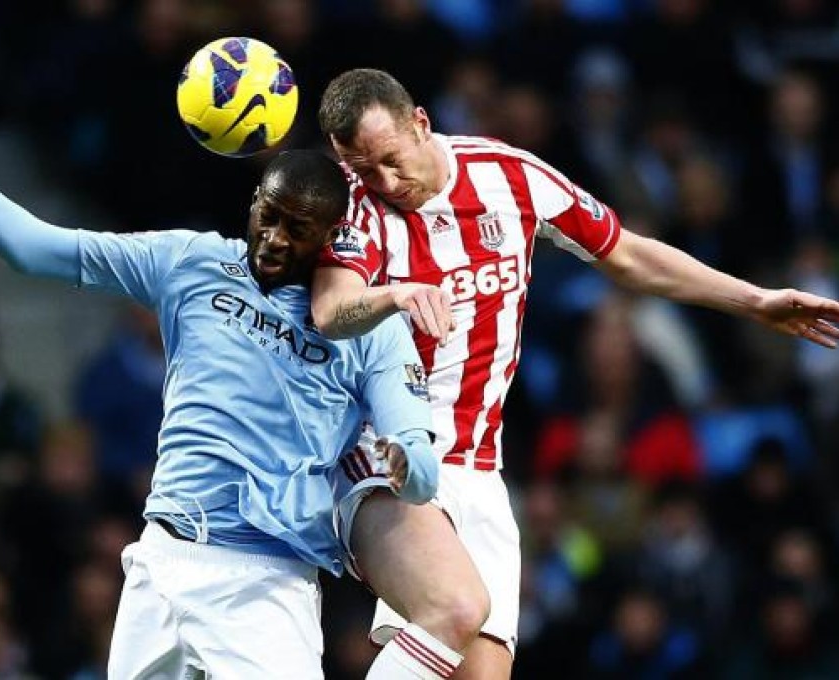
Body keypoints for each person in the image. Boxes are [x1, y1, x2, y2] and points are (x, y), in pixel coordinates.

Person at [0, 61, 452, 679]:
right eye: (267, 215)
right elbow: (28, 245)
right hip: (163, 563)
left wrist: (406, 462)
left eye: (298, 230)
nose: (271, 240)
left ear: (331, 237)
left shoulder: (373, 327)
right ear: (253, 201)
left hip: (266, 584)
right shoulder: (190, 262)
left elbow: (422, 467)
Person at [311, 68, 839, 679]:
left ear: (421, 123)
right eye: (360, 167)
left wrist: (753, 301)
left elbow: (629, 254)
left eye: (389, 160)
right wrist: (393, 296)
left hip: (477, 467)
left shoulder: (510, 177)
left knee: (481, 672)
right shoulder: (356, 210)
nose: (382, 181)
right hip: (385, 451)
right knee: (451, 608)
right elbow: (332, 308)